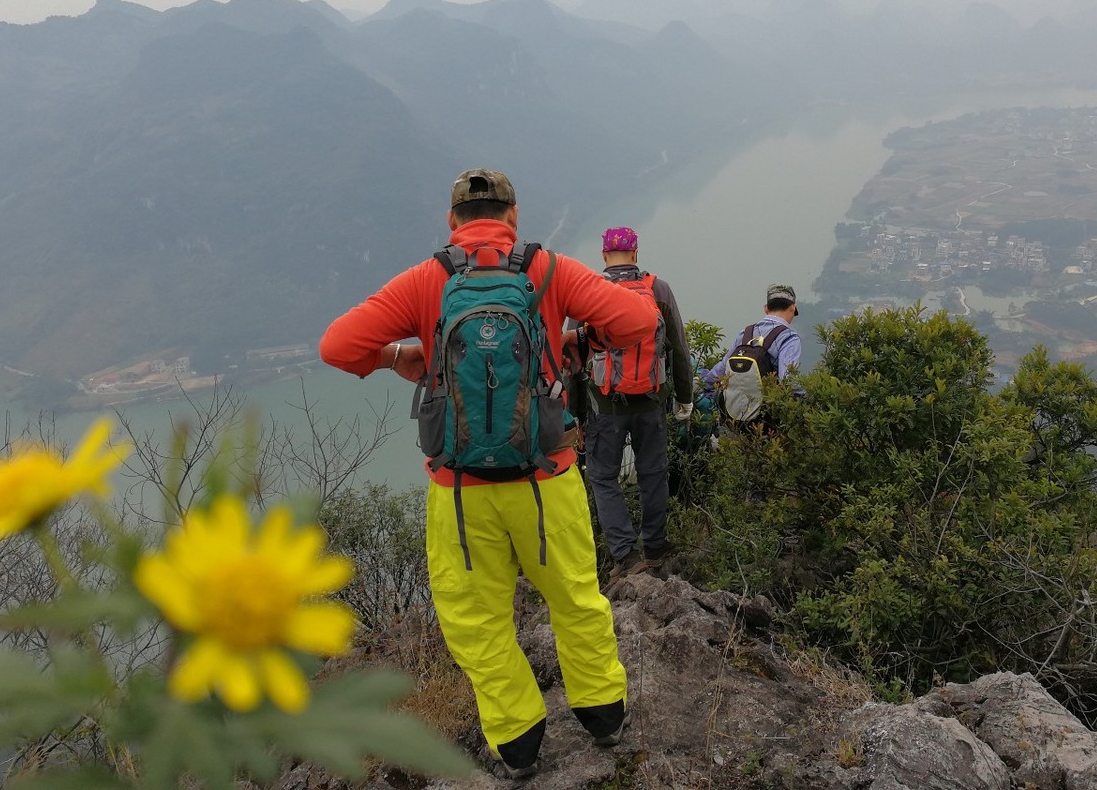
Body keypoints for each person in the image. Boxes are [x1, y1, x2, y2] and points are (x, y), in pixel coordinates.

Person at [319, 169, 655, 779]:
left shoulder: (426, 280)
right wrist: (575, 341)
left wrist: (401, 356)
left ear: (452, 221)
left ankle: (519, 743)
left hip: (460, 494)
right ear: (514, 216)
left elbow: (337, 347)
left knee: (477, 621)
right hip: (546, 478)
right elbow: (639, 324)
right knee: (576, 599)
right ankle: (603, 715)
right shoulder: (548, 270)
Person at [581, 226, 694, 581]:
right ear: (635, 253)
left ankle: (626, 556)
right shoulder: (657, 289)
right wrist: (685, 398)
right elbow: (678, 346)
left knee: (602, 476)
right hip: (651, 400)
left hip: (604, 406)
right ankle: (656, 547)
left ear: (603, 256)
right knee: (653, 473)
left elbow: (572, 356)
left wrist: (574, 415)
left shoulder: (588, 291)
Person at [702, 283, 804, 391]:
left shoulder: (745, 333)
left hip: (735, 404)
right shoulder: (789, 338)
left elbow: (721, 369)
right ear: (792, 308)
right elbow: (788, 380)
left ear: (766, 308)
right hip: (766, 405)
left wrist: (703, 385)